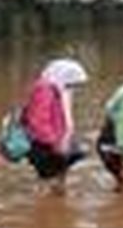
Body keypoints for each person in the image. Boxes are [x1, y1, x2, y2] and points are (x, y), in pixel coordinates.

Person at [22, 58, 89, 192]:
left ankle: (55, 206)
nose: (72, 88)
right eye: (70, 83)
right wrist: (55, 144)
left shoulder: (57, 89)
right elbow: (38, 122)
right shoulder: (45, 90)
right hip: (44, 145)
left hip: (54, 143)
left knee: (57, 184)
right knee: (49, 185)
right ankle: (47, 208)